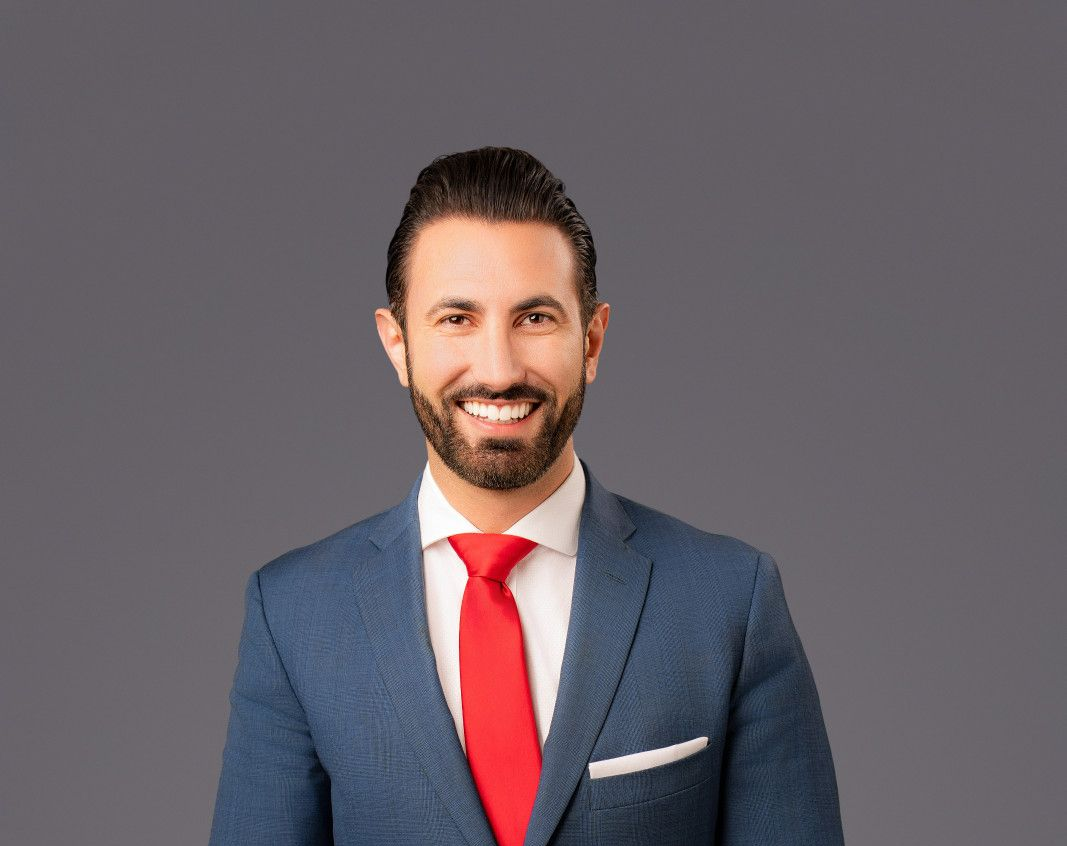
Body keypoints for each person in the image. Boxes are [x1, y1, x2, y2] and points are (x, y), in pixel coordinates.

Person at [208, 146, 845, 846]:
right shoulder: (295, 614)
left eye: (534, 318)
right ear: (396, 345)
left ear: (592, 339)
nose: (499, 368)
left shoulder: (728, 602)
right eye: (456, 319)